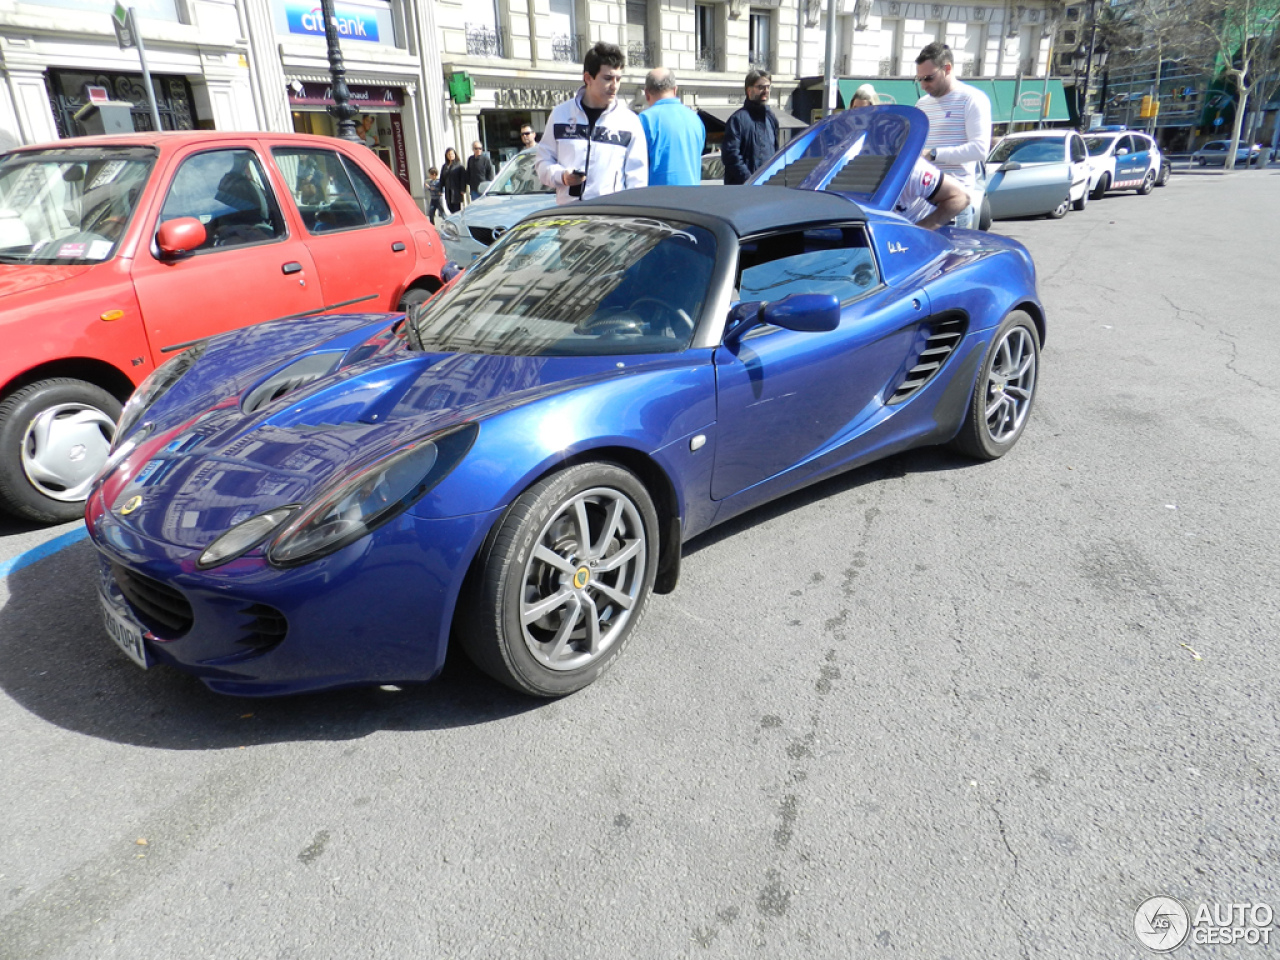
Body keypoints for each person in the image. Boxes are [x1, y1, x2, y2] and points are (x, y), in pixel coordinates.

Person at [535, 41, 648, 204]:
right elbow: (542, 162)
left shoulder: (629, 122)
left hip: (611, 218)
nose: (614, 86)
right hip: (569, 217)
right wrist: (563, 177)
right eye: (608, 78)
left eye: (618, 79)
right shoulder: (560, 115)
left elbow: (637, 180)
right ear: (588, 78)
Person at [850, 85, 970, 230]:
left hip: (929, 228)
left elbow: (960, 197)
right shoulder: (850, 169)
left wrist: (918, 231)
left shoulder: (911, 169)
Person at [914, 42, 991, 229]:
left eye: (929, 78)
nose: (924, 85)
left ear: (947, 69)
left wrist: (933, 154)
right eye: (919, 79)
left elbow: (980, 150)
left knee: (952, 258)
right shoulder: (922, 105)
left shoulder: (972, 99)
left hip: (954, 202)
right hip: (921, 199)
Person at [639, 67, 706, 186]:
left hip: (656, 201)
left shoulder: (644, 120)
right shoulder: (695, 119)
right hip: (692, 199)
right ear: (675, 90)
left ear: (647, 94)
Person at [722, 69, 780, 185]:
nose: (766, 91)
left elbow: (775, 153)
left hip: (768, 188)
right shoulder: (737, 120)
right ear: (749, 90)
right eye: (761, 87)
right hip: (743, 191)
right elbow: (731, 156)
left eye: (768, 87)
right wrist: (751, 181)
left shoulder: (771, 118)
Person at [440, 147, 466, 214]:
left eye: (452, 154)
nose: (450, 155)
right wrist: (440, 189)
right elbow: (442, 178)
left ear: (455, 154)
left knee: (456, 209)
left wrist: (463, 189)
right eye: (449, 154)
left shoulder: (459, 165)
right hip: (448, 191)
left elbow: (463, 178)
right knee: (449, 207)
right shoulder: (445, 166)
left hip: (456, 190)